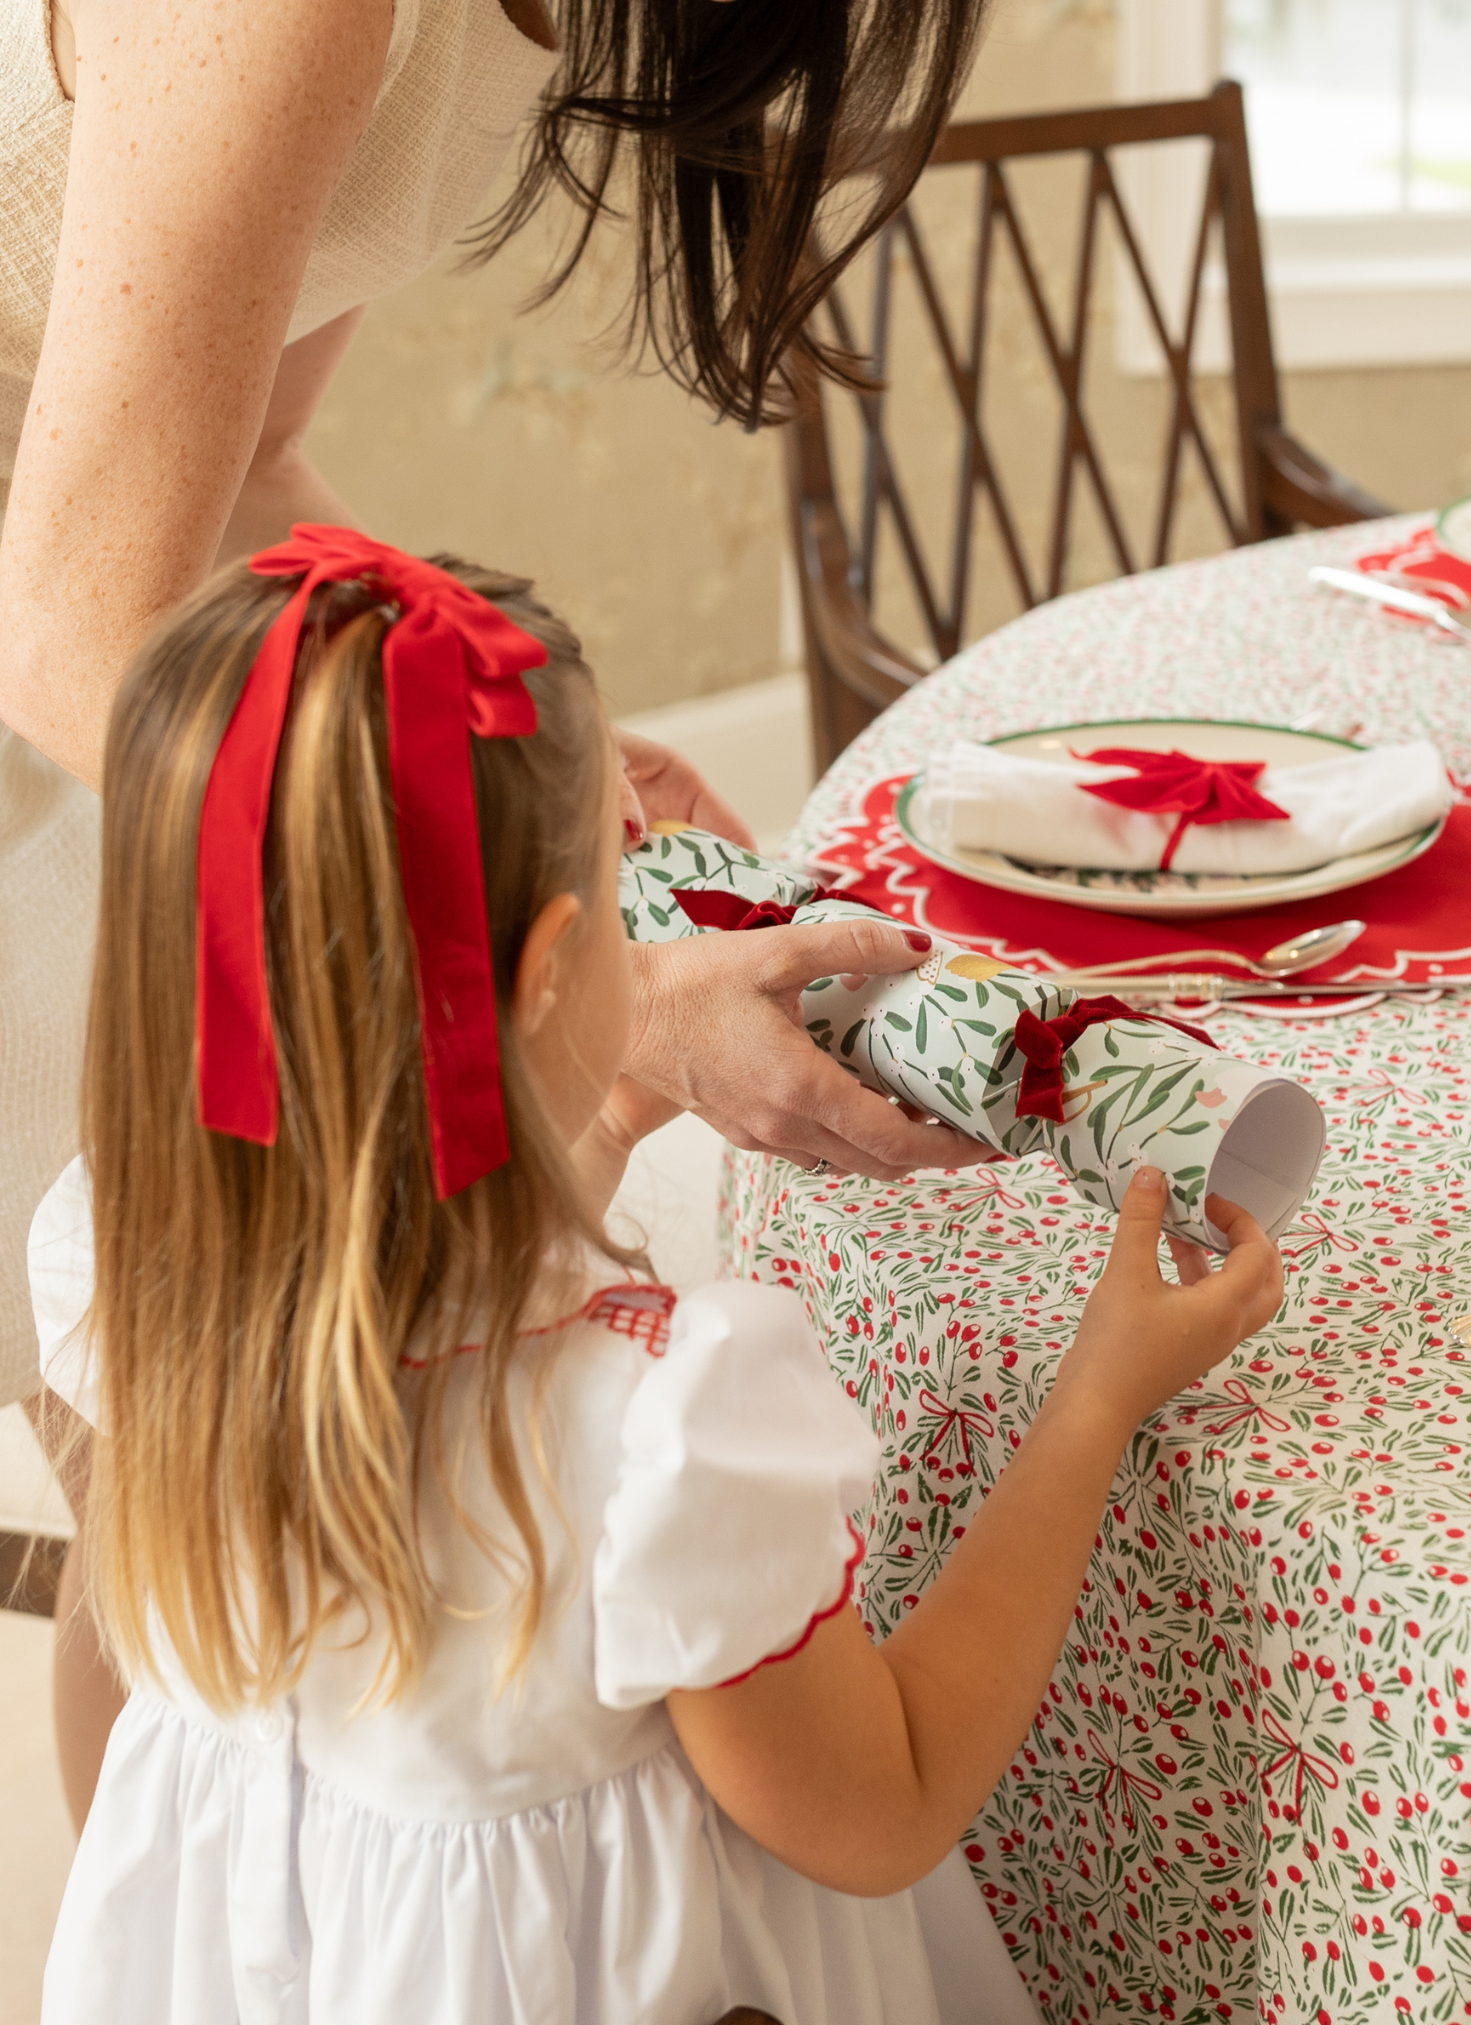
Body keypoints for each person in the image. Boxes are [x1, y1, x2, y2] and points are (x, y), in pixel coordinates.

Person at [27, 535, 1286, 2025]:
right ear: (563, 961)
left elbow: (428, 1317)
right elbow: (881, 1802)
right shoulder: (664, 1431)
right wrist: (1094, 1403)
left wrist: (603, 1125)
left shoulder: (117, 1264)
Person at [1, 0, 993, 1824]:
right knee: (183, 1474)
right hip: (77, 675)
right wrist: (610, 980)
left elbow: (248, 472)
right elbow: (77, 631)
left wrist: (532, 734)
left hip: (116, 659)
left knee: (210, 1467)